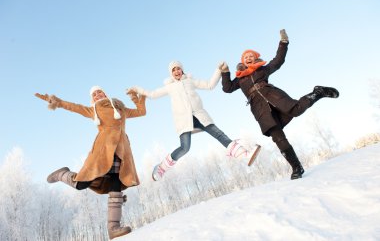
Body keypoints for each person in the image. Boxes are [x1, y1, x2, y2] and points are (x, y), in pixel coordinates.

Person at [221, 29, 339, 180]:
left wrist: (283, 43)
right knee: (277, 136)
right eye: (246, 57)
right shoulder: (240, 79)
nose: (248, 58)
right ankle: (297, 167)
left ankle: (318, 92)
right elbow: (227, 88)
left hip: (274, 96)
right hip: (259, 108)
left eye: (251, 56)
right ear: (242, 61)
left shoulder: (262, 70)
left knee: (296, 110)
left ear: (256, 58)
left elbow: (278, 60)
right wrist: (225, 72)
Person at [35, 86, 146, 239]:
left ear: (105, 93)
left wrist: (138, 98)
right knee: (81, 184)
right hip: (102, 153)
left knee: (116, 184)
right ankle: (62, 174)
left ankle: (113, 228)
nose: (97, 95)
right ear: (92, 99)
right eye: (93, 94)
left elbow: (141, 112)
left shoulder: (120, 108)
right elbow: (74, 107)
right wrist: (56, 101)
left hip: (121, 151)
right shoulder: (94, 110)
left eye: (99, 92)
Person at [128, 61, 261, 181]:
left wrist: (218, 70)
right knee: (185, 147)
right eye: (174, 70)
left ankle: (244, 154)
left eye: (178, 69)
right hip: (184, 120)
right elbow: (152, 94)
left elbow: (209, 85)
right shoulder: (170, 87)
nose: (176, 72)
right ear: (171, 73)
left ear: (182, 70)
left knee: (219, 134)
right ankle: (161, 168)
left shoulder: (190, 81)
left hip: (200, 116)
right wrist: (137, 89)